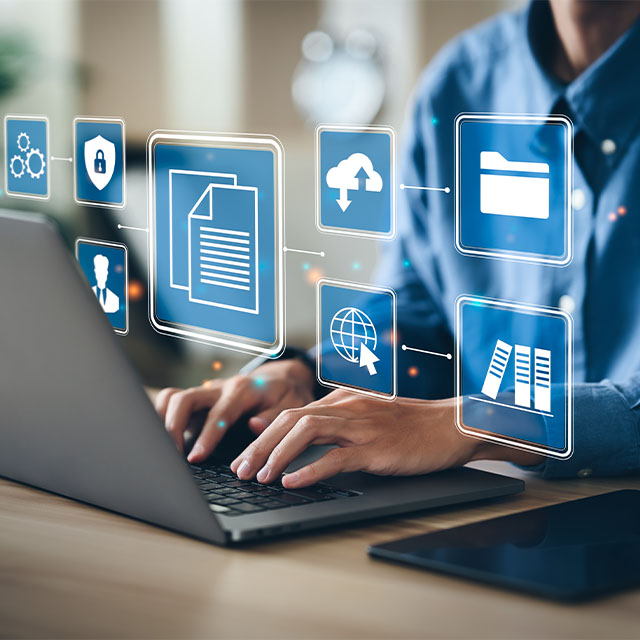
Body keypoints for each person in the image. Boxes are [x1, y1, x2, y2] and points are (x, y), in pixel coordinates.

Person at [156, 0, 640, 488]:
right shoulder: (460, 83)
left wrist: (480, 424)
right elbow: (419, 312)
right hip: (502, 511)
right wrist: (307, 376)